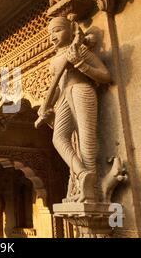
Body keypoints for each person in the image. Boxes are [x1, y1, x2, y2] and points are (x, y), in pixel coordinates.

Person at [36, 17, 111, 202]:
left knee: (86, 139)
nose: (53, 36)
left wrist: (79, 63)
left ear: (71, 31)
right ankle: (82, 174)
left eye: (58, 30)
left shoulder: (80, 50)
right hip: (63, 96)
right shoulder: (54, 60)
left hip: (81, 90)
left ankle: (91, 191)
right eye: (50, 33)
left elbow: (105, 75)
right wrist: (44, 108)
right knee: (59, 138)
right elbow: (57, 87)